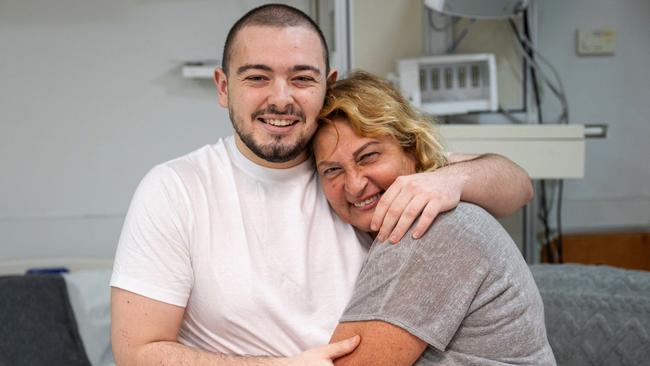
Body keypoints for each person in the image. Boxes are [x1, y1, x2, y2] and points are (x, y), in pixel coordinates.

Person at [110, 4, 534, 366]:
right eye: (257, 77)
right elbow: (135, 352)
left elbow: (515, 183)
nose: (280, 98)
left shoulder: (361, 174)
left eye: (301, 78)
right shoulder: (176, 189)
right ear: (224, 87)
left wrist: (450, 179)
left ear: (327, 84)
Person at [312, 71, 555, 365]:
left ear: (412, 150)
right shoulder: (395, 209)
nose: (354, 184)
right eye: (333, 170)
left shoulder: (425, 226)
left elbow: (519, 183)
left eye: (368, 157)